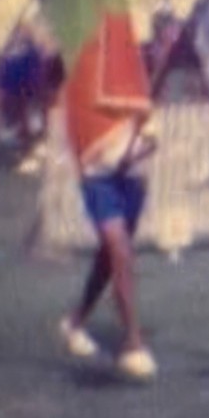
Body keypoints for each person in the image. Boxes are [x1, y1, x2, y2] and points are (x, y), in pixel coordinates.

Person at [56, 118, 160, 381]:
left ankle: (75, 321)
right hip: (97, 177)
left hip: (133, 178)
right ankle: (133, 343)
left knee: (110, 257)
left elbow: (152, 138)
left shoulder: (137, 88)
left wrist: (137, 152)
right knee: (119, 248)